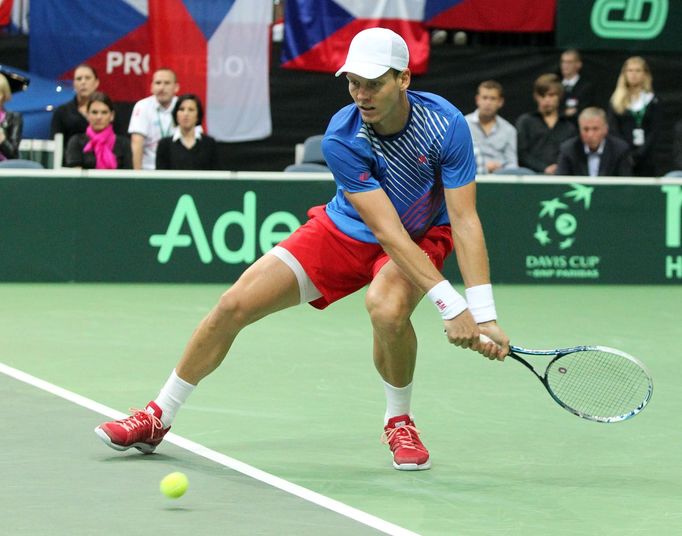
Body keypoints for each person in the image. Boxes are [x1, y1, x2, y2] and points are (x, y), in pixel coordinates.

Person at [95, 28, 509, 472]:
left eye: (374, 83)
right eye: (354, 82)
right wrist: (449, 303)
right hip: (348, 229)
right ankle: (159, 415)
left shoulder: (445, 125)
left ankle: (399, 419)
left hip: (424, 232)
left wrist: (483, 314)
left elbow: (464, 220)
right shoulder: (342, 136)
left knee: (386, 308)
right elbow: (387, 232)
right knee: (234, 303)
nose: (361, 94)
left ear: (404, 79)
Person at [607, 56, 661, 177]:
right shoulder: (616, 100)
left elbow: (655, 130)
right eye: (630, 70)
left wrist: (640, 153)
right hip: (622, 156)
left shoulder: (652, 100)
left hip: (646, 158)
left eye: (638, 70)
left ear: (645, 74)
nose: (633, 74)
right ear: (624, 74)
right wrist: (626, 152)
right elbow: (613, 129)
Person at [516, 74, 576, 175]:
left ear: (559, 96)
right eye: (542, 95)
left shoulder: (569, 125)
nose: (547, 100)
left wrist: (558, 167)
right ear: (536, 96)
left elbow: (573, 154)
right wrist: (544, 168)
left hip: (562, 177)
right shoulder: (525, 121)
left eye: (551, 95)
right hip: (531, 177)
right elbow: (521, 153)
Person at [556, 107, 632, 177]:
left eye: (595, 129)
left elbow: (625, 185)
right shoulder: (569, 150)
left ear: (605, 129)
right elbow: (561, 184)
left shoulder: (620, 150)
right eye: (586, 129)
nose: (590, 134)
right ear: (579, 129)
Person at [64, 92, 132, 169]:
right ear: (87, 115)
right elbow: (75, 177)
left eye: (104, 112)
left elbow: (128, 176)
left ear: (112, 116)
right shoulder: (76, 142)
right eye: (94, 112)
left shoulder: (124, 144)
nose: (99, 117)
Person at [128, 68, 179, 170]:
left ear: (176, 87)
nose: (162, 87)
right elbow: (137, 143)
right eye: (158, 83)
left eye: (167, 83)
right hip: (149, 169)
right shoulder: (142, 106)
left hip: (178, 169)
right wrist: (137, 177)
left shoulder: (183, 106)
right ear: (151, 87)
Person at [465, 80, 518, 174]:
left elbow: (513, 164)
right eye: (484, 98)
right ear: (477, 100)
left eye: (493, 99)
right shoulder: (464, 124)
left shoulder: (509, 130)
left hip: (500, 181)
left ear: (500, 102)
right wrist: (482, 166)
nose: (488, 103)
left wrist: (501, 168)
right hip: (469, 177)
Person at [156, 94, 218, 170]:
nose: (186, 114)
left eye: (191, 110)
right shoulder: (165, 145)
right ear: (176, 115)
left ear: (198, 116)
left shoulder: (210, 144)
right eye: (181, 109)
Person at [50, 64, 100, 158]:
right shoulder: (62, 112)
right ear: (74, 84)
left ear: (96, 82)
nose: (83, 82)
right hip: (69, 166)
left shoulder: (106, 111)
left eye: (87, 78)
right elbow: (56, 144)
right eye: (79, 79)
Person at [559, 49, 595, 121]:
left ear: (578, 64)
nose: (565, 65)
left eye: (569, 62)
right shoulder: (556, 85)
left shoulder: (586, 86)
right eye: (563, 62)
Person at [0, 73, 23, 161]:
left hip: (4, 169)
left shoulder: (14, 118)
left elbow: (14, 155)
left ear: (4, 95)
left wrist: (2, 140)